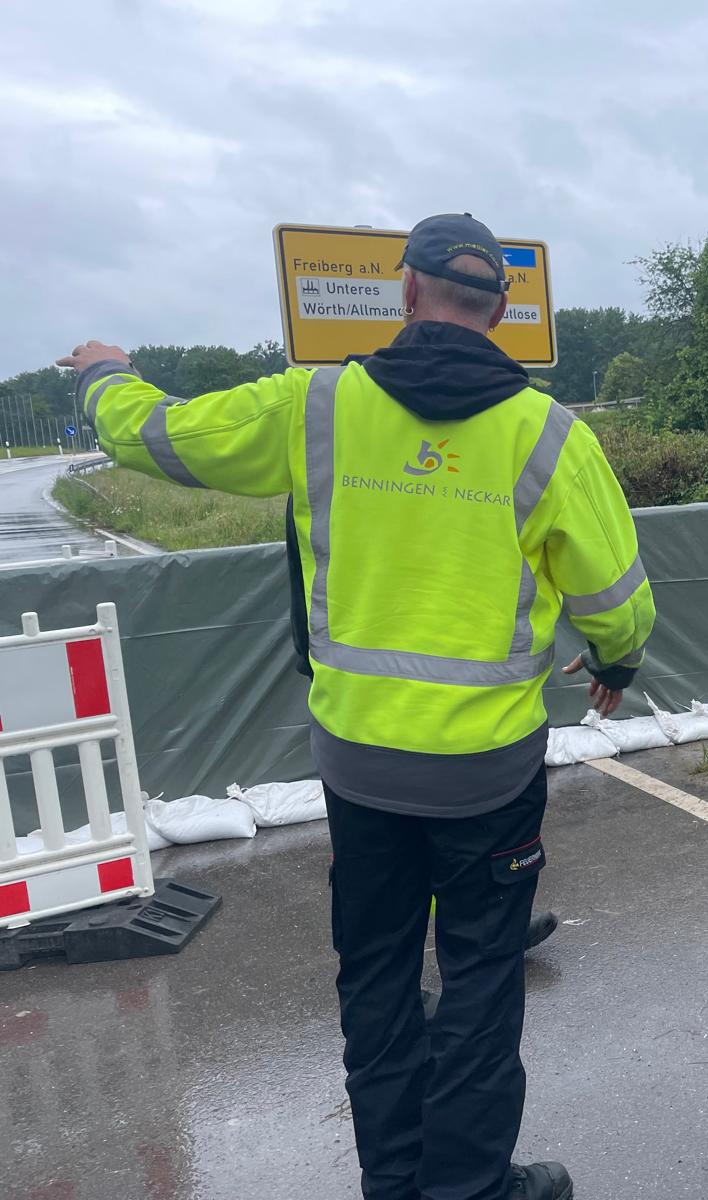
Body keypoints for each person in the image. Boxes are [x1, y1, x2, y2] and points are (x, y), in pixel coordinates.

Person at [59, 213, 656, 1200]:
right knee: (478, 981)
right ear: (499, 311)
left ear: (407, 290)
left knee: (376, 978)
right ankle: (471, 1188)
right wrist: (617, 662)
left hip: (362, 771)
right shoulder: (550, 434)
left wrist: (102, 375)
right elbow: (618, 599)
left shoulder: (317, 406)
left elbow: (160, 435)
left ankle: (396, 1182)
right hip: (488, 778)